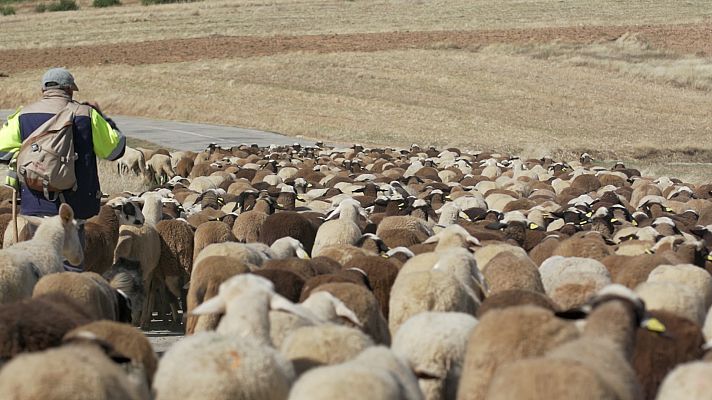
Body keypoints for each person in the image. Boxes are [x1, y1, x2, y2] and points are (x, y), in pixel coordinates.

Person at [0, 67, 126, 271]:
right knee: (71, 269)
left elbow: (1, 150)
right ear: (69, 89)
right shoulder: (86, 114)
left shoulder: (23, 115)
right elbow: (115, 150)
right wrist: (105, 118)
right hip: (73, 208)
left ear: (43, 90)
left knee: (36, 265)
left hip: (35, 205)